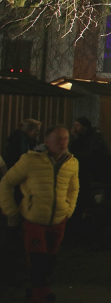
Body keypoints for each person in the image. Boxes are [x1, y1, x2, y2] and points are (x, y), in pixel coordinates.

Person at [0, 126, 79, 303]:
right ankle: (41, 296)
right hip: (34, 220)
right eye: (58, 139)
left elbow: (73, 188)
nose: (63, 143)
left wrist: (69, 209)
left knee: (50, 259)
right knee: (38, 259)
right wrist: (11, 210)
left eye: (65, 138)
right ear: (46, 141)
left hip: (58, 220)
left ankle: (35, 289)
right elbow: (6, 183)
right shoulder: (30, 160)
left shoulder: (72, 163)